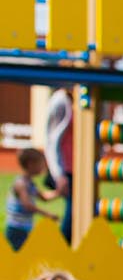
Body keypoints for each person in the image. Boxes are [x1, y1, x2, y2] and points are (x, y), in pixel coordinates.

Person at [6, 148, 60, 251]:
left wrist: (58, 193)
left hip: (26, 228)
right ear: (31, 164)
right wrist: (47, 214)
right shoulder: (21, 184)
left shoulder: (30, 183)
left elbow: (44, 197)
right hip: (16, 229)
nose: (43, 167)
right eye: (40, 163)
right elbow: (27, 205)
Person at [44, 87, 74, 244]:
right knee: (74, 207)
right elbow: (52, 138)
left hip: (79, 168)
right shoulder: (61, 100)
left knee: (79, 208)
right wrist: (58, 173)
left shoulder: (78, 99)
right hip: (66, 168)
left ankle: (70, 244)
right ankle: (63, 244)